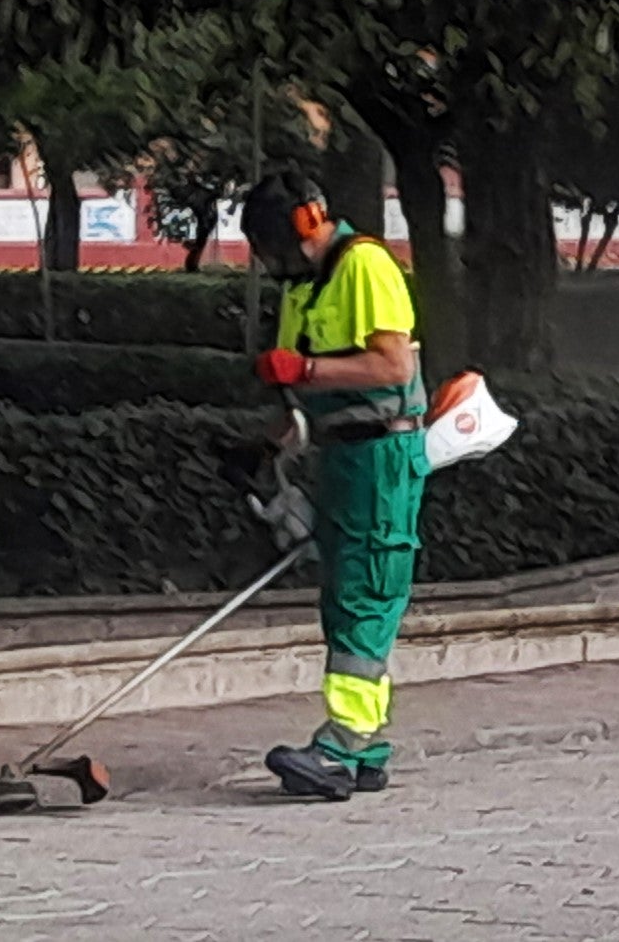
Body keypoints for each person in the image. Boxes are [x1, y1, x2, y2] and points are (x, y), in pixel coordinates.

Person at [244, 170, 429, 800]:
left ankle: (341, 747)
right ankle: (368, 747)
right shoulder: (303, 288)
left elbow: (392, 362)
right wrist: (266, 447)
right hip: (338, 454)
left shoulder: (364, 267)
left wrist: (308, 367)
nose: (270, 263)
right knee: (344, 597)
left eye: (272, 246)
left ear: (303, 225)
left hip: (382, 451)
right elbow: (296, 390)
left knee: (367, 595)